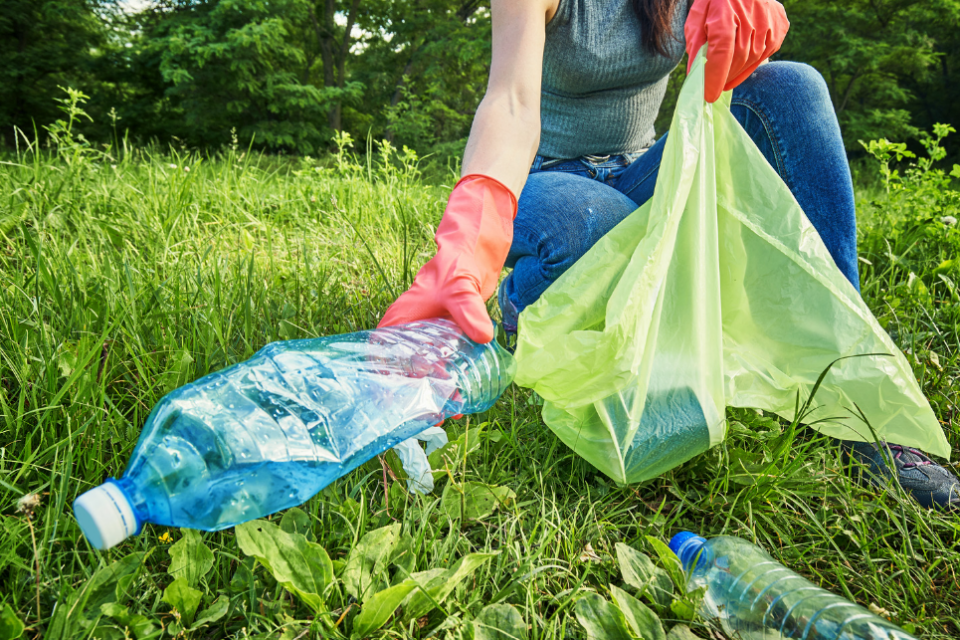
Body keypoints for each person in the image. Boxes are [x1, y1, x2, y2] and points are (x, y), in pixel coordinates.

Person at [378, 0, 960, 509]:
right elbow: (510, 102)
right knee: (593, 223)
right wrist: (472, 234)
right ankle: (518, 302)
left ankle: (851, 389)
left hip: (638, 170)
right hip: (546, 180)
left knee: (793, 87)